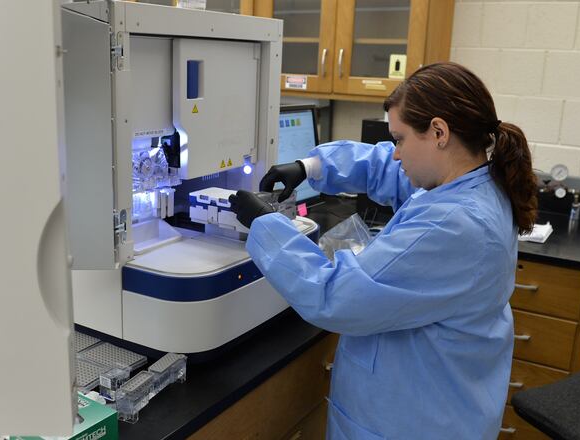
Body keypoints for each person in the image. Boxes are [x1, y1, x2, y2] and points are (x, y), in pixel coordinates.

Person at [228, 62, 537, 439]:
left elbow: (333, 295)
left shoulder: (453, 224)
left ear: (439, 132)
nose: (395, 154)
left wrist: (266, 224)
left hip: (412, 423)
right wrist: (310, 166)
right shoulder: (474, 183)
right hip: (441, 401)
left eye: (400, 139)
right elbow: (385, 168)